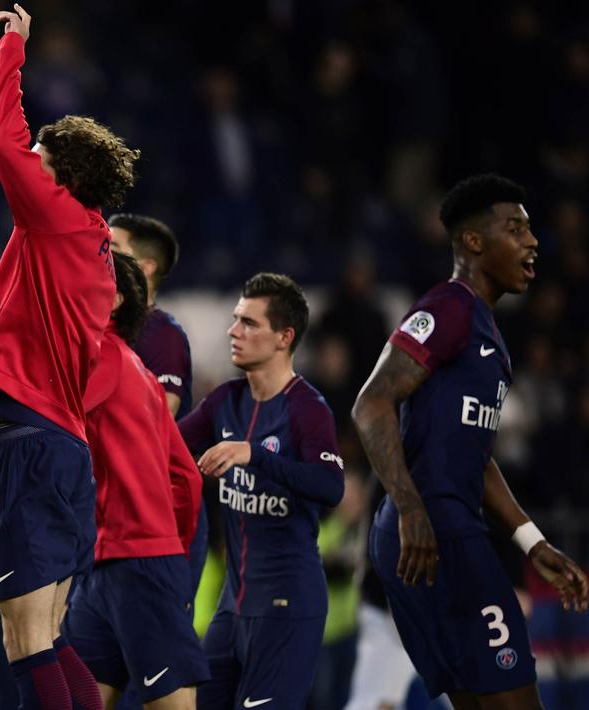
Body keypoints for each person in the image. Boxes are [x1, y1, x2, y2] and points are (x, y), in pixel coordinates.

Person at [352, 173, 589, 709]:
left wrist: (533, 543)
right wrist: (411, 508)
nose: (532, 241)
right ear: (473, 242)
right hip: (437, 533)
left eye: (530, 230)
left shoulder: (487, 333)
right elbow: (371, 404)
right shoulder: (449, 309)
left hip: (429, 535)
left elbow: (475, 459)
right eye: (515, 228)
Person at [0, 6, 140, 710]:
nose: (29, 167)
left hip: (31, 445)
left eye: (43, 162)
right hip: (63, 450)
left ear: (61, 177)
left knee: (25, 639)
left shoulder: (53, 217)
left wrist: (12, 45)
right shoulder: (95, 249)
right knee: (47, 635)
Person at [178, 273, 345, 709]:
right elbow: (166, 449)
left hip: (287, 607)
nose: (234, 331)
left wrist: (255, 455)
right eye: (235, 319)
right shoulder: (224, 402)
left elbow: (330, 486)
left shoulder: (307, 409)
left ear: (283, 338)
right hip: (232, 608)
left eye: (249, 323)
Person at [63, 252, 207, 710]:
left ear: (115, 300)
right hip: (106, 565)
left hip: (138, 562)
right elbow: (185, 477)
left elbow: (51, 424)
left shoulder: (100, 357)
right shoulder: (141, 373)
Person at [106, 213, 207, 605]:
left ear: (145, 267)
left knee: (160, 650)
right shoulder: (104, 331)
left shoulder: (161, 334)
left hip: (161, 515)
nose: (101, 253)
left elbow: (158, 420)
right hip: (117, 513)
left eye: (114, 248)